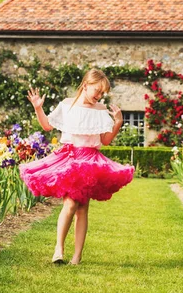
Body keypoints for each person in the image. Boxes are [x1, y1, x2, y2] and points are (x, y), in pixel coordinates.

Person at [19, 68, 134, 266]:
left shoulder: (100, 110)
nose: (98, 95)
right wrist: (38, 107)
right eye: (96, 90)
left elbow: (105, 140)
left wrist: (117, 123)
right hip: (71, 158)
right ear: (85, 84)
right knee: (70, 204)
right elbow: (47, 125)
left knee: (83, 209)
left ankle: (76, 256)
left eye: (102, 93)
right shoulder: (67, 105)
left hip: (90, 161)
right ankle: (59, 249)